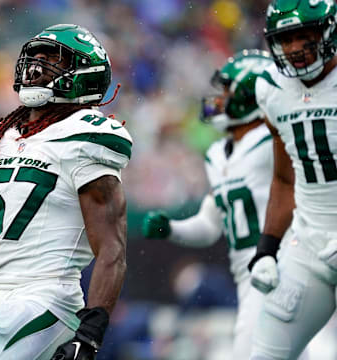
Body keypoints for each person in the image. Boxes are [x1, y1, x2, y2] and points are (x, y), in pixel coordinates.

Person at [0, 24, 132, 360]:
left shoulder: (87, 136)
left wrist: (90, 333)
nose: (35, 68)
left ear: (84, 74)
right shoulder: (4, 137)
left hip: (46, 296)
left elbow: (111, 248)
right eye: (33, 58)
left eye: (51, 60)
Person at [142, 50, 275, 359]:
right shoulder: (221, 154)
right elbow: (209, 224)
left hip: (283, 266)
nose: (220, 99)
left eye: (228, 91)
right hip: (250, 274)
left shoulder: (276, 142)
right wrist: (172, 228)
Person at [247, 0, 337, 359]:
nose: (295, 48)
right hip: (308, 246)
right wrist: (267, 248)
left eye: (304, 36)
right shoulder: (272, 89)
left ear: (327, 31)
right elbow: (285, 179)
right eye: (286, 39)